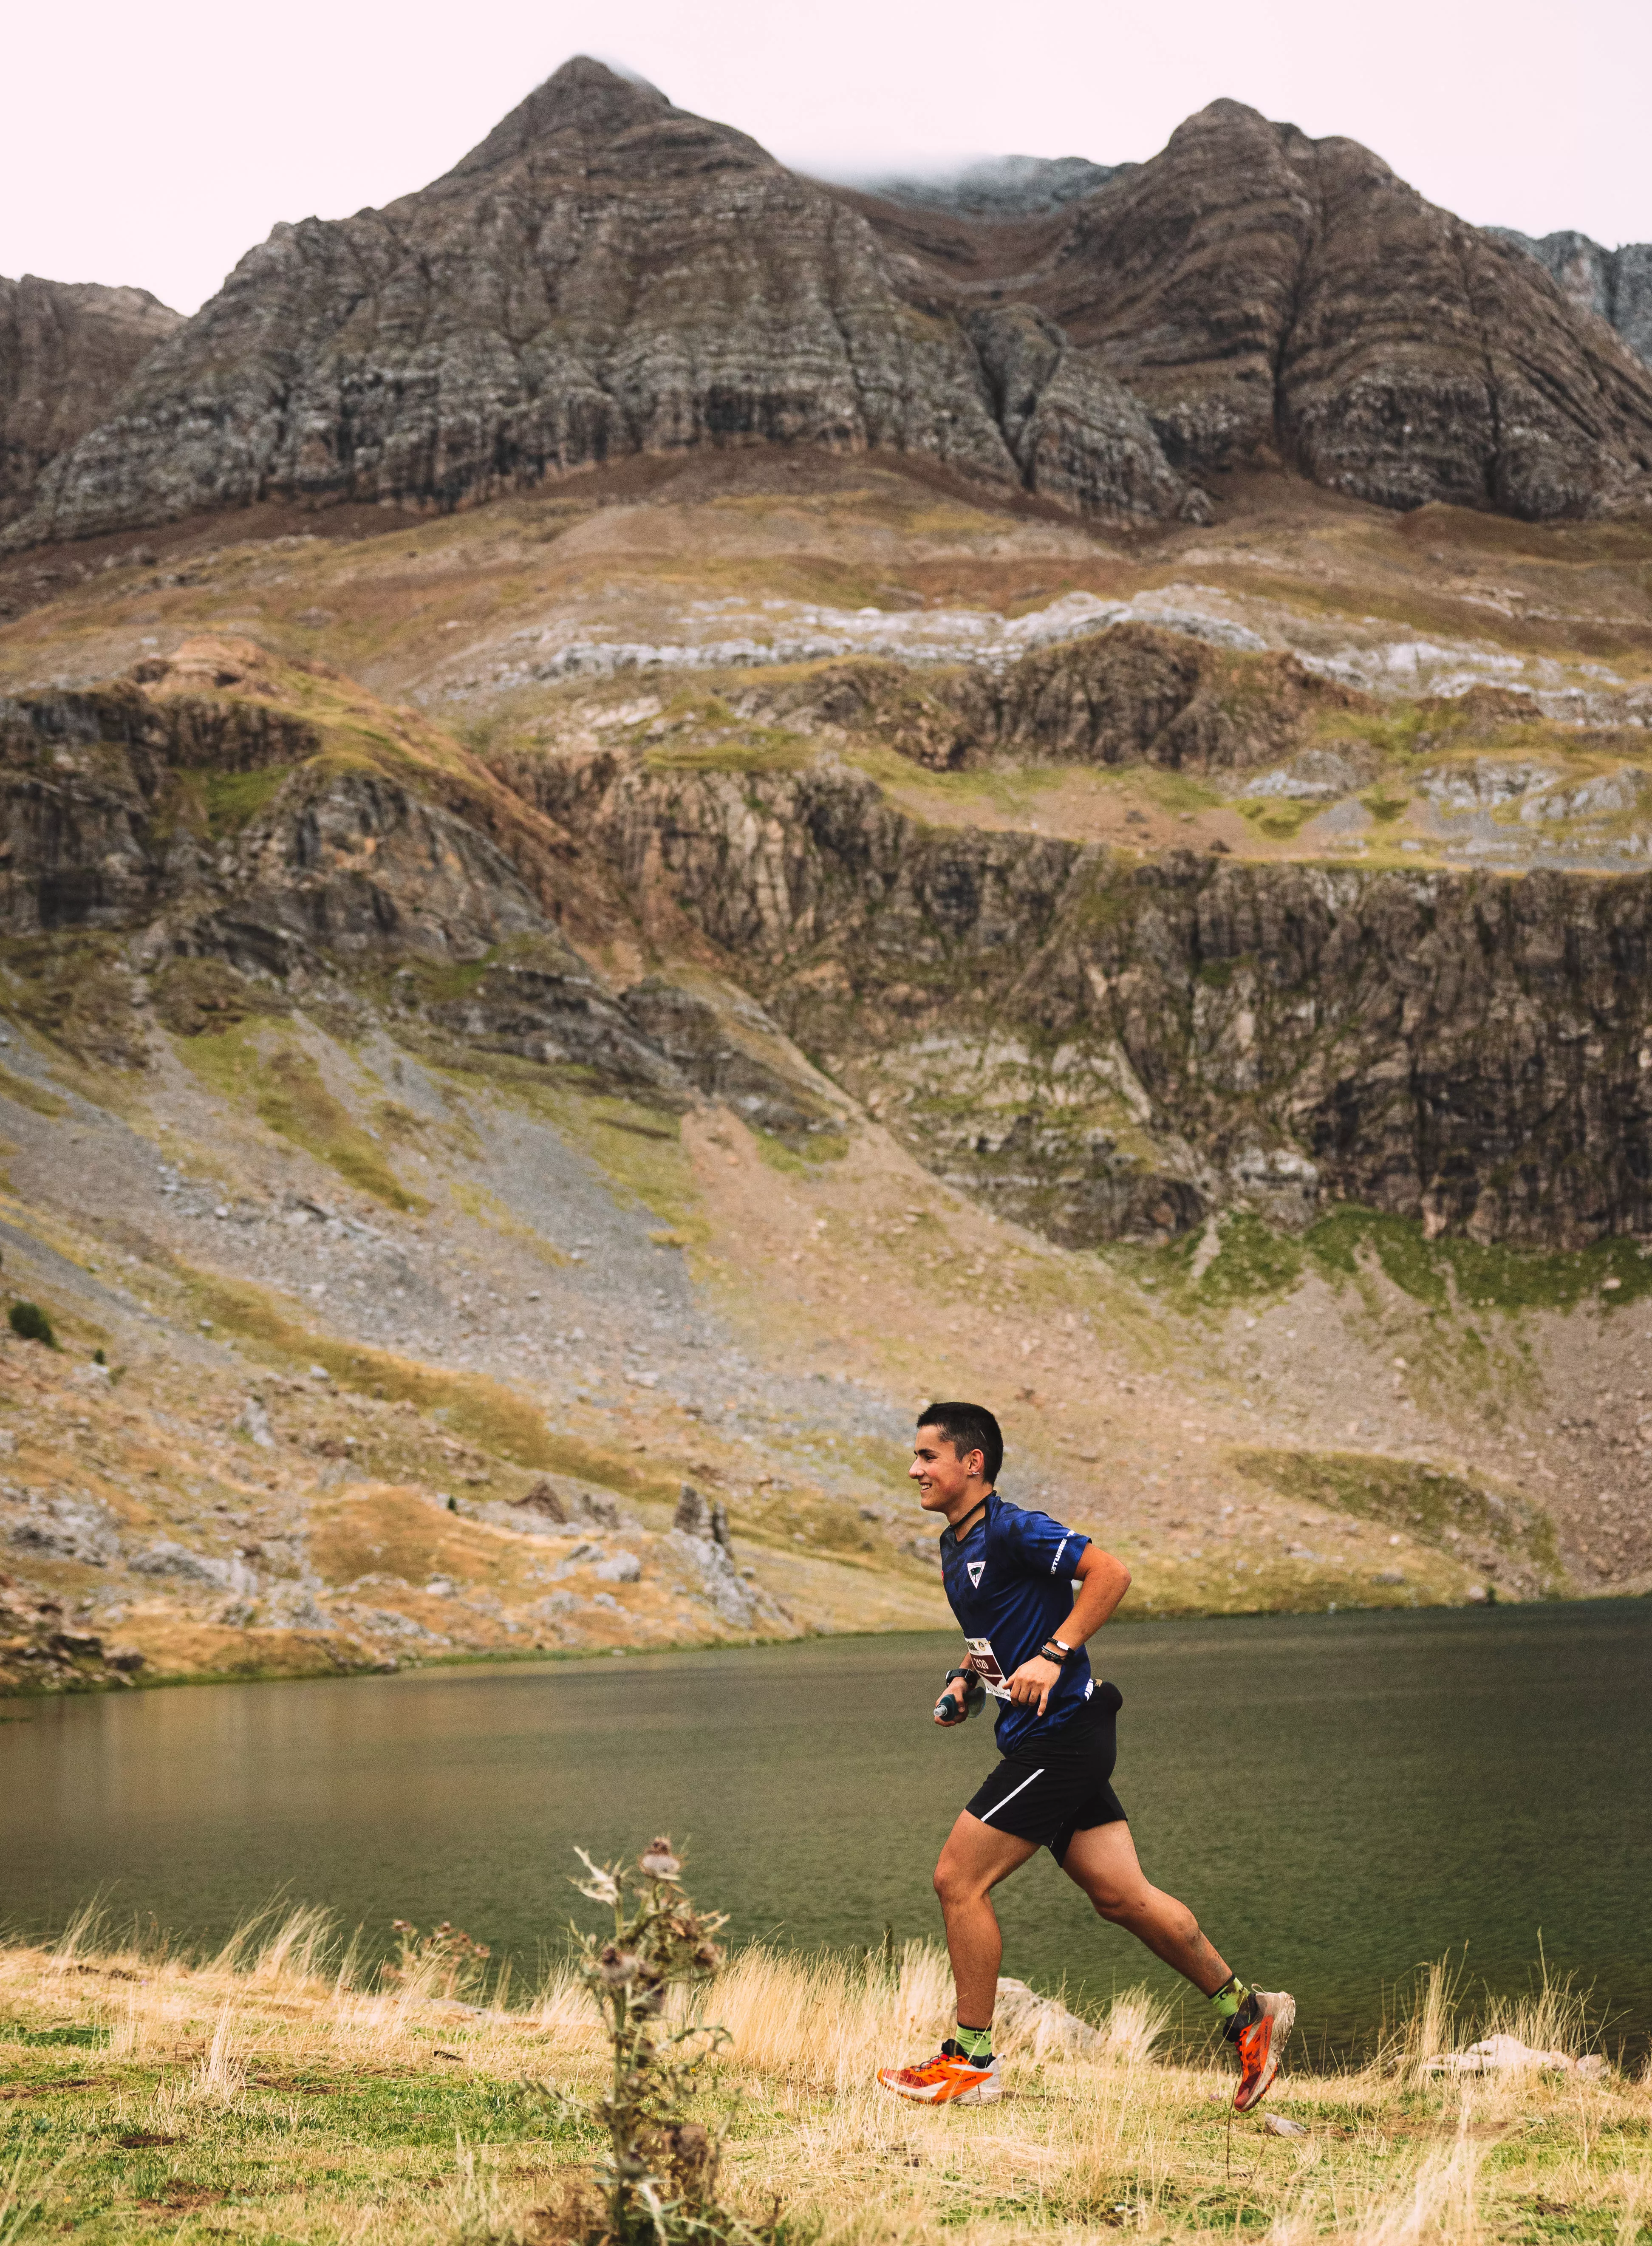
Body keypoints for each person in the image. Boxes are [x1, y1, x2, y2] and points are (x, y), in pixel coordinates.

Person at [877, 1401, 1293, 2110]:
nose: (914, 1468)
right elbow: (1002, 1629)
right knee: (1123, 1897)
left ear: (971, 1462)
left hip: (1061, 1735)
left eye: (928, 1456)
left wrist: (1055, 1652)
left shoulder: (1014, 1528)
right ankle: (1249, 2012)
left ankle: (972, 2061)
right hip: (1047, 1735)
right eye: (915, 1456)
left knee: (957, 1879)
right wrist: (966, 1679)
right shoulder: (957, 1543)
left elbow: (1110, 1572)